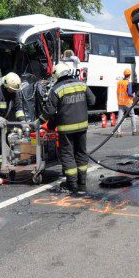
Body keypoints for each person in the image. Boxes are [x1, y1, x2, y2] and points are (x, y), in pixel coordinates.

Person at [40, 62, 95, 193]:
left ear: (57, 74)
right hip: (82, 126)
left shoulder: (57, 89)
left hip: (66, 128)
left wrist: (39, 121)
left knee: (67, 154)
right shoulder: (81, 84)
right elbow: (92, 101)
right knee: (81, 153)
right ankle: (82, 181)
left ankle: (72, 184)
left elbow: (49, 111)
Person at [115, 68, 138, 137]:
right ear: (129, 75)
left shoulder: (119, 82)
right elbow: (129, 93)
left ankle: (118, 133)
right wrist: (133, 95)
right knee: (132, 115)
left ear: (124, 75)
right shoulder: (128, 83)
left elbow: (118, 91)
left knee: (120, 117)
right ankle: (134, 131)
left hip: (120, 102)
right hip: (128, 103)